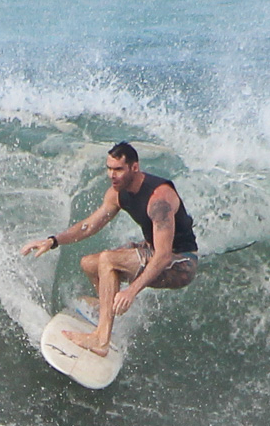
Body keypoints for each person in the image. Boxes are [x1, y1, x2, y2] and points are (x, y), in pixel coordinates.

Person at [20, 141, 199, 357]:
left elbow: (163, 255)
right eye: (109, 168)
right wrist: (52, 241)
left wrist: (131, 292)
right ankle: (105, 310)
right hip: (154, 251)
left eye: (118, 169)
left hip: (180, 262)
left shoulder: (159, 198)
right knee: (89, 263)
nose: (112, 175)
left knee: (108, 260)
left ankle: (101, 338)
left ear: (134, 167)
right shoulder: (117, 194)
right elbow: (88, 226)